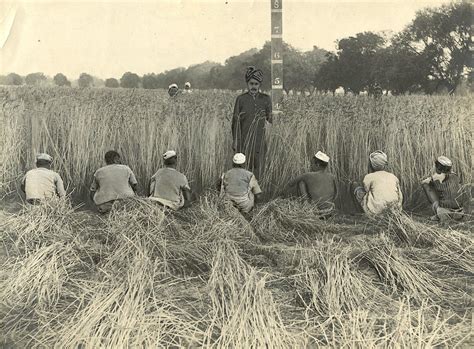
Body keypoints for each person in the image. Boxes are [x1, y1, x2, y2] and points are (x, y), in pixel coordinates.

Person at [232, 66, 272, 179]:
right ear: (247, 84)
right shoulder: (241, 99)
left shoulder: (265, 99)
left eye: (256, 84)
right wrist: (235, 140)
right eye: (251, 84)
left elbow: (271, 119)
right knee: (244, 166)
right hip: (244, 139)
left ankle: (257, 189)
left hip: (260, 139)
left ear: (259, 85)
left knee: (259, 165)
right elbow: (235, 121)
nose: (253, 86)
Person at [353, 150, 403, 215]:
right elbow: (400, 195)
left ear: (371, 165)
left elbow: (366, 191)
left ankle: (362, 213)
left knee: (354, 185)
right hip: (395, 211)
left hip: (376, 212)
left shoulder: (369, 177)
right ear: (384, 165)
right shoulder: (393, 176)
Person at [288, 151, 337, 216]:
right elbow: (336, 194)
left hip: (315, 213)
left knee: (301, 182)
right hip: (329, 211)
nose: (311, 166)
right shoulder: (332, 176)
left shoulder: (308, 175)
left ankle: (306, 207)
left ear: (317, 165)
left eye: (312, 164)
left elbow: (291, 183)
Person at [421, 156, 465, 222]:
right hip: (460, 212)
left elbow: (423, 182)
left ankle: (440, 214)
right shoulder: (455, 175)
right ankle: (449, 216)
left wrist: (430, 181)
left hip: (445, 213)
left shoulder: (436, 177)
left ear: (438, 168)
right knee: (445, 191)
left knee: (426, 185)